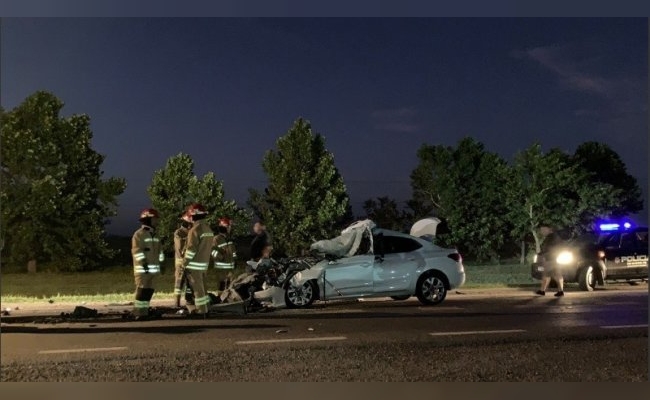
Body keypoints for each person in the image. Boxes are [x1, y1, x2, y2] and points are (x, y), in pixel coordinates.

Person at [130, 208, 164, 320]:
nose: (157, 221)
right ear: (148, 219)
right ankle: (138, 313)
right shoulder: (139, 234)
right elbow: (136, 251)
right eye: (155, 219)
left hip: (153, 270)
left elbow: (160, 251)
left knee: (149, 290)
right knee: (142, 291)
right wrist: (143, 263)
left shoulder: (155, 235)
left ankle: (144, 312)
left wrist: (162, 263)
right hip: (142, 270)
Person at [181, 203, 214, 317]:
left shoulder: (195, 229)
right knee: (203, 288)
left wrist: (184, 264)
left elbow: (191, 250)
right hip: (203, 265)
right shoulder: (208, 229)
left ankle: (201, 311)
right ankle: (206, 309)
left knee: (197, 289)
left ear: (193, 215)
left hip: (194, 265)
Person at [536, 224, 565, 297]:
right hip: (554, 258)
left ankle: (544, 291)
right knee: (552, 275)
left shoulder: (551, 237)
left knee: (548, 275)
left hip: (551, 259)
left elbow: (548, 248)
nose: (542, 232)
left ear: (549, 229)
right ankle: (559, 291)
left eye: (544, 230)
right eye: (541, 230)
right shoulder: (553, 237)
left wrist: (542, 254)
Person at [172, 213, 193, 309]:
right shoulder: (178, 232)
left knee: (190, 284)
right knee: (179, 283)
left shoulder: (191, 232)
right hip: (181, 263)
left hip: (190, 263)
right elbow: (180, 248)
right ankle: (177, 303)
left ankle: (189, 300)